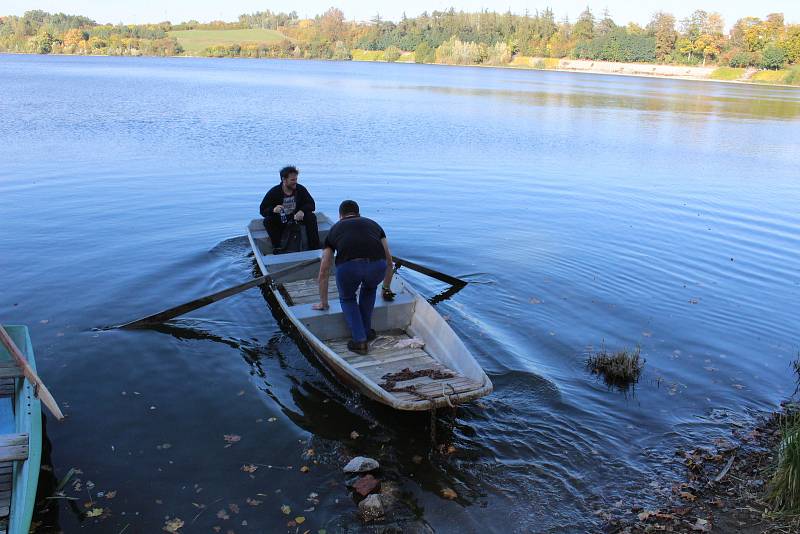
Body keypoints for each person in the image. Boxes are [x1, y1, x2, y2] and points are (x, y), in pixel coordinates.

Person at [312, 200, 394, 355]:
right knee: (370, 289)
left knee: (348, 298)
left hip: (350, 268)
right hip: (377, 266)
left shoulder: (334, 230)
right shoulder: (374, 225)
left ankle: (360, 340)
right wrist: (386, 288)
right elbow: (389, 260)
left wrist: (324, 302)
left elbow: (324, 269)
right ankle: (367, 331)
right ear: (359, 213)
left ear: (340, 216)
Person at [259, 166, 320, 253]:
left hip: (296, 218)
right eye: (292, 180)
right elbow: (262, 210)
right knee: (268, 221)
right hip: (281, 219)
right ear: (284, 180)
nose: (295, 182)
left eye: (296, 179)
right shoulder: (274, 192)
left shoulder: (300, 189)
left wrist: (302, 210)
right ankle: (278, 247)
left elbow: (311, 204)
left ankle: (314, 247)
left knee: (311, 217)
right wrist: (273, 210)